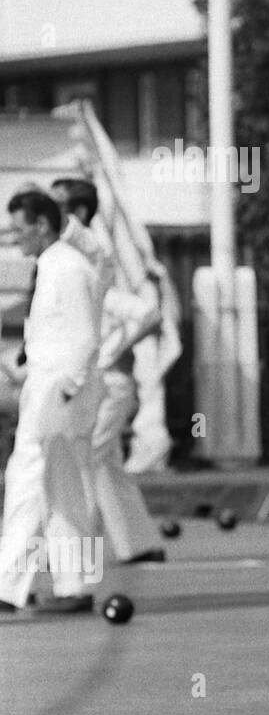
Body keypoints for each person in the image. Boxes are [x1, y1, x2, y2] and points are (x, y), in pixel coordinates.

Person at [51, 179, 167, 566]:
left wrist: (112, 350)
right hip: (91, 381)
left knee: (83, 459)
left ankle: (80, 549)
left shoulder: (88, 261)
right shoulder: (64, 257)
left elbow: (148, 313)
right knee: (106, 462)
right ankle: (138, 542)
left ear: (79, 213)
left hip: (107, 381)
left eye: (59, 204)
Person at [0, 190, 103, 614]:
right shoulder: (54, 266)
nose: (14, 238)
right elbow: (53, 331)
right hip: (53, 384)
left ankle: (6, 586)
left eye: (19, 229)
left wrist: (63, 390)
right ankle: (73, 585)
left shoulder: (68, 268)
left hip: (60, 390)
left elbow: (84, 336)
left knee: (26, 481)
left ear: (42, 224)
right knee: (63, 487)